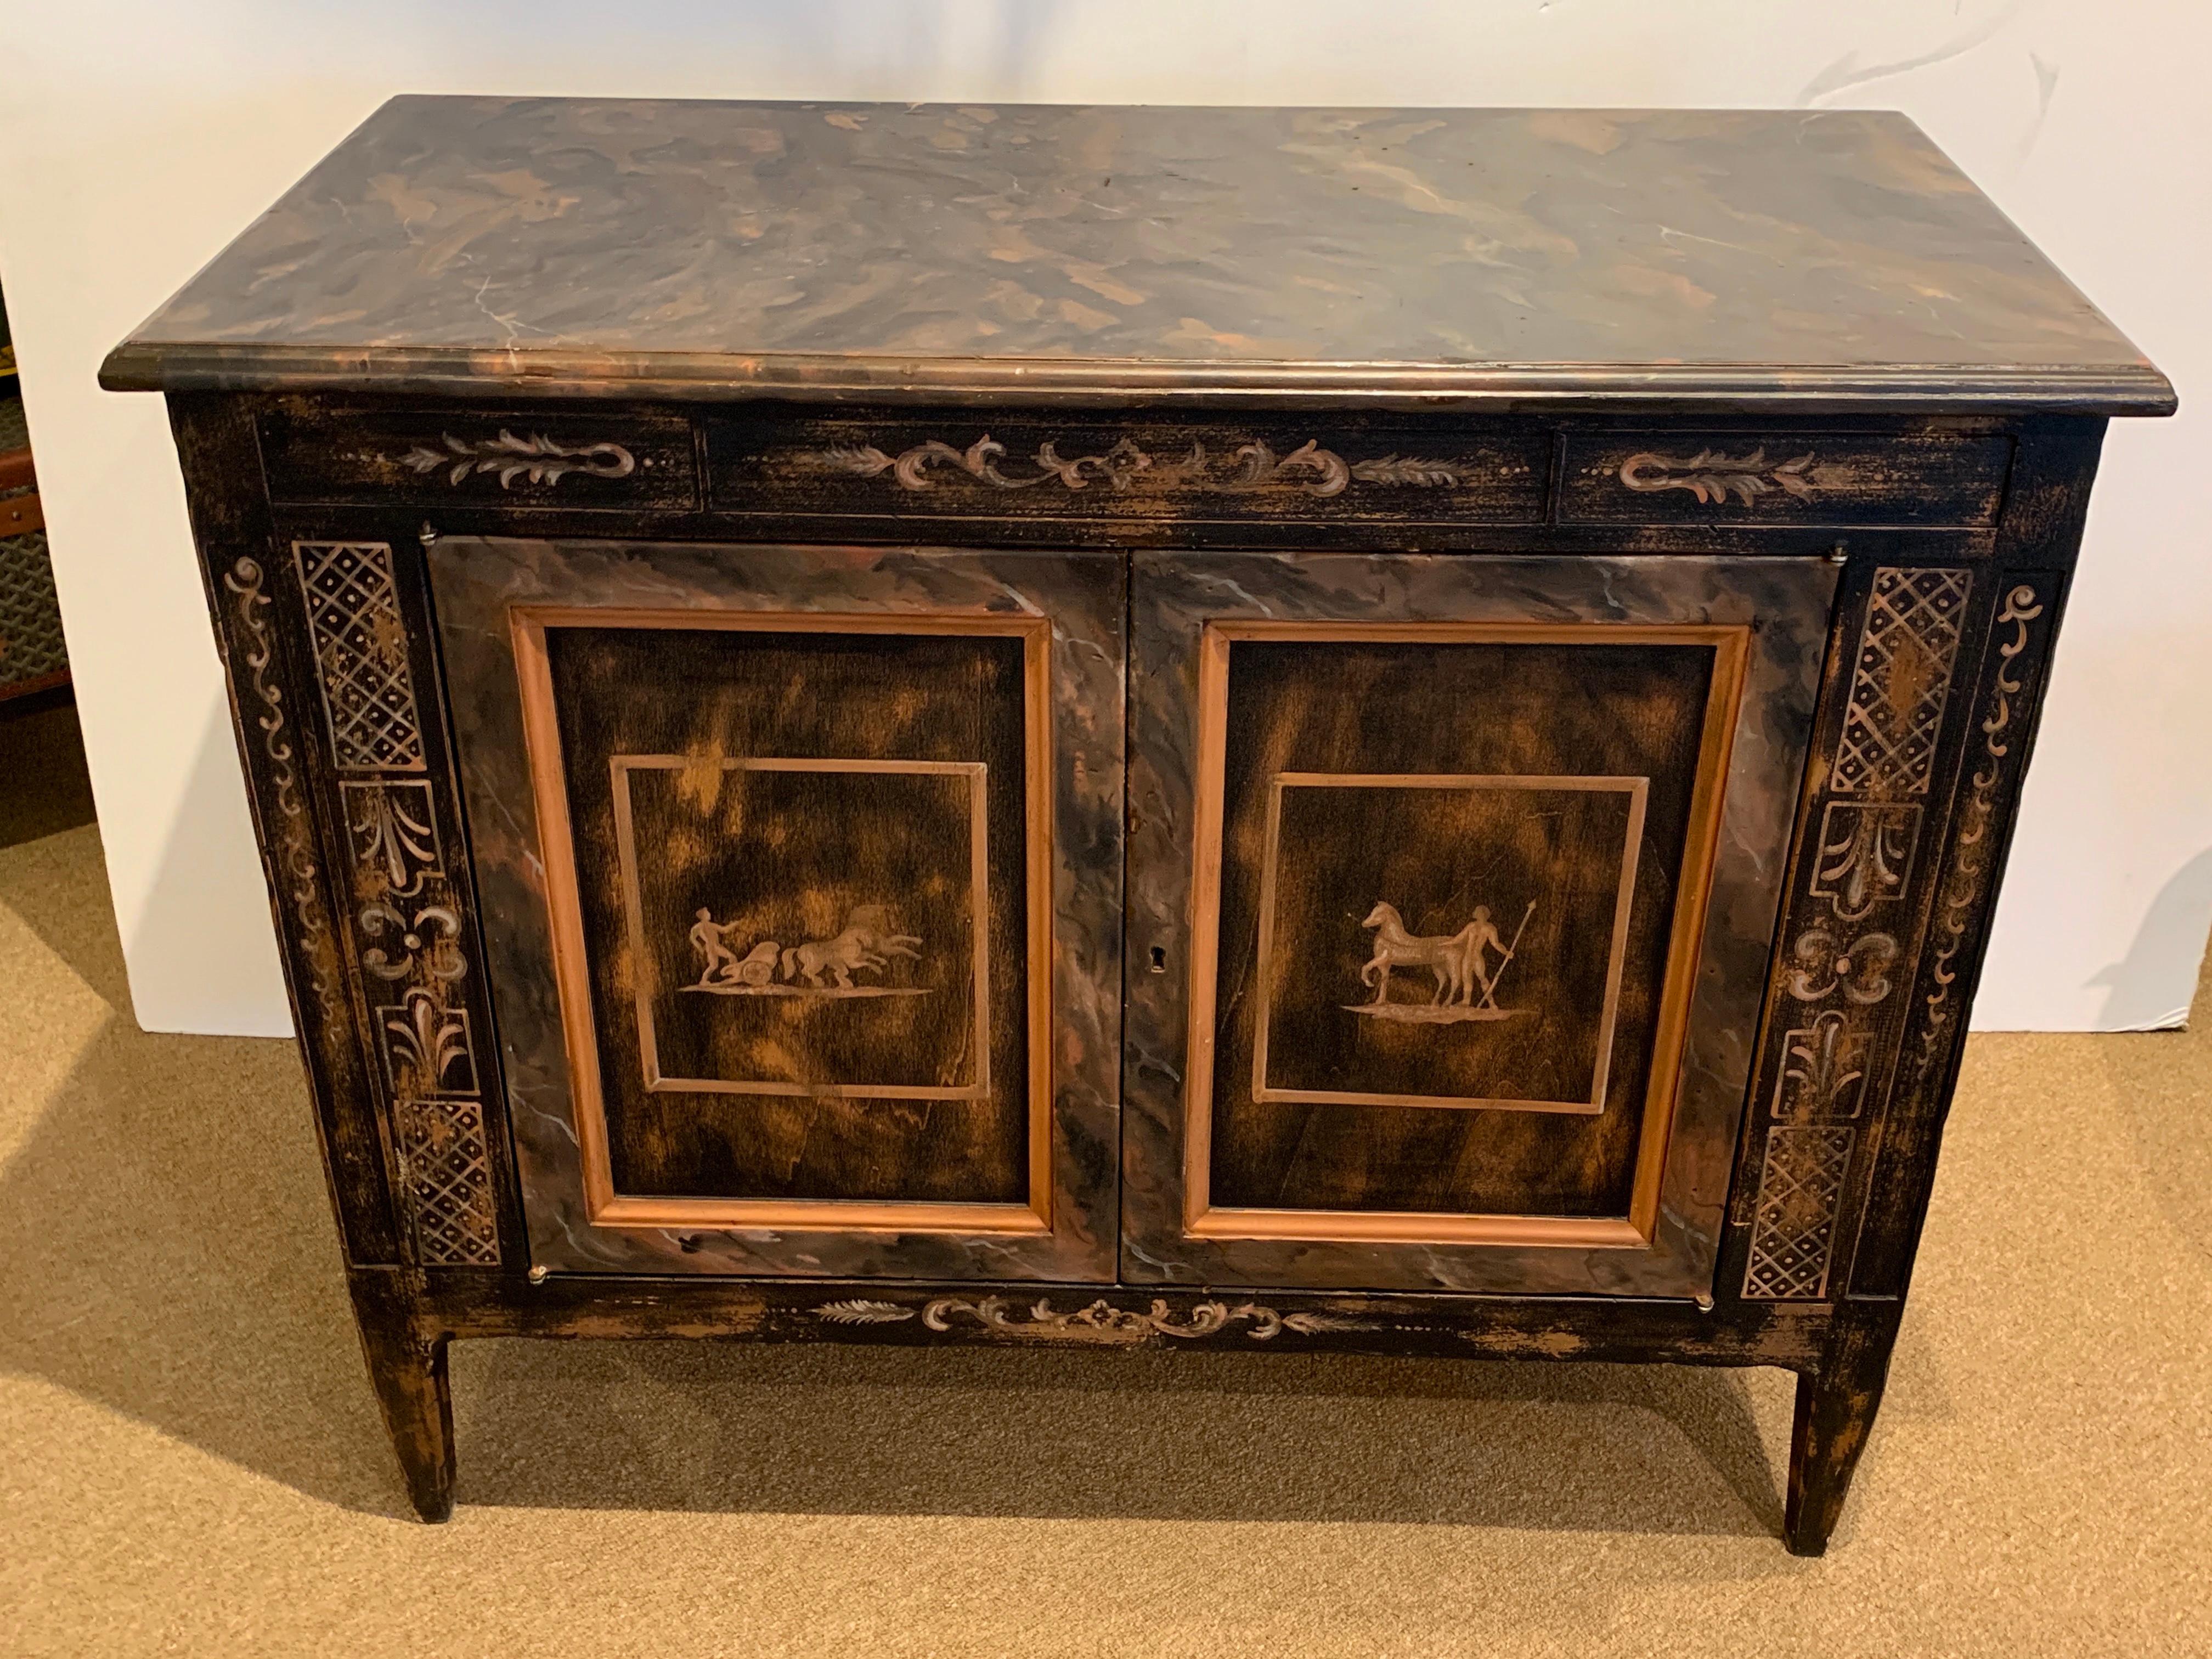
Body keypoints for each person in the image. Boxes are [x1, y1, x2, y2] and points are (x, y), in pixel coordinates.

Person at [689, 908, 739, 984]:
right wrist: (699, 947)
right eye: (707, 913)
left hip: (717, 946)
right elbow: (692, 938)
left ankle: (735, 973)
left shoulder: (711, 925)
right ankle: (704, 980)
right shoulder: (698, 927)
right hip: (710, 948)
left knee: (731, 957)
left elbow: (724, 930)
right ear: (703, 916)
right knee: (714, 965)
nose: (709, 914)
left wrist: (734, 925)